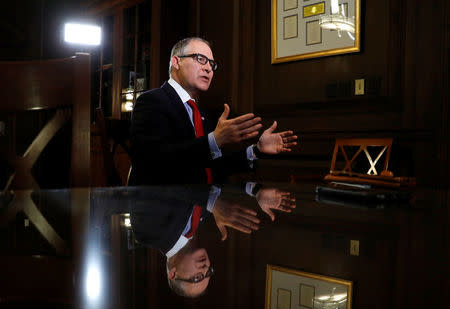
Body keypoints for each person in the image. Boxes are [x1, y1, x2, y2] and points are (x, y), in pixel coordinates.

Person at [129, 37, 297, 185]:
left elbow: (210, 166)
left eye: (212, 63)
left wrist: (256, 150)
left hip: (202, 209)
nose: (208, 68)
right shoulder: (151, 101)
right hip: (162, 212)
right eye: (200, 59)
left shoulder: (199, 112)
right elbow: (156, 163)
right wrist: (213, 141)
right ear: (176, 62)